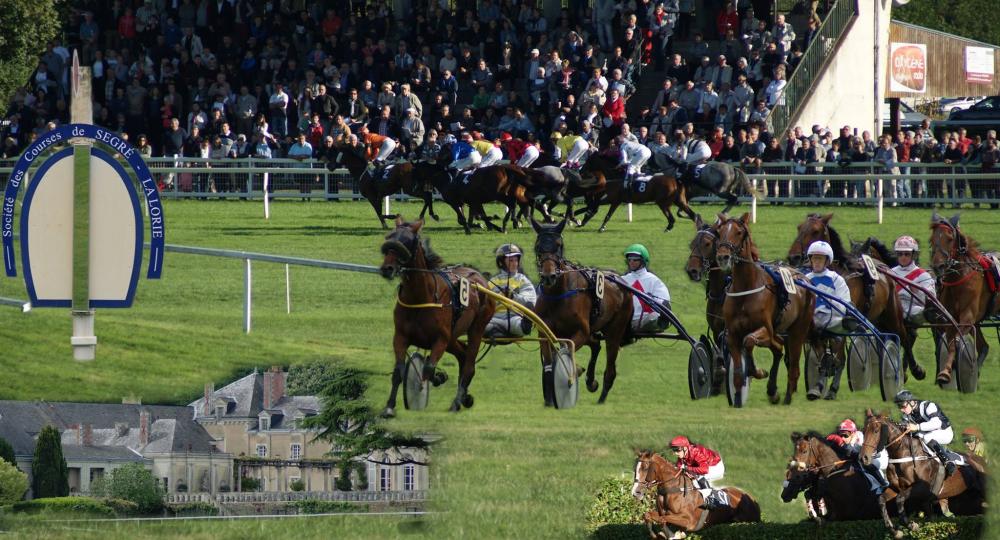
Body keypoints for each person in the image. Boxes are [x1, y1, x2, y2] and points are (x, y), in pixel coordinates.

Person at [895, 390, 956, 476]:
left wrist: (917, 427)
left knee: (927, 437)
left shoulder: (928, 406)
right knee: (915, 438)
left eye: (903, 406)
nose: (901, 410)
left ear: (912, 402)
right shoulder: (906, 415)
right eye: (899, 406)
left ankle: (948, 462)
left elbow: (937, 423)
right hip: (929, 433)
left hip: (945, 432)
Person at [485, 244, 537, 338]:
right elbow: (486, 303)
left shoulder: (523, 280)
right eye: (511, 260)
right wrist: (499, 297)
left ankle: (522, 328)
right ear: (501, 262)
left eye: (516, 260)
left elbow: (530, 301)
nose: (515, 263)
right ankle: (496, 331)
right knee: (481, 326)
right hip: (495, 318)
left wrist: (513, 296)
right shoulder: (493, 282)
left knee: (520, 326)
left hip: (515, 318)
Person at [827, 418, 889, 492]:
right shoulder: (844, 441)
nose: (842, 438)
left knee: (865, 463)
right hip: (859, 460)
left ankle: (882, 482)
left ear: (853, 434)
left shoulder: (861, 438)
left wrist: (843, 444)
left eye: (845, 435)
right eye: (841, 435)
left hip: (878, 459)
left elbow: (856, 454)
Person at [622, 244, 671, 333]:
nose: (631, 262)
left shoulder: (653, 280)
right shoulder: (623, 280)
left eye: (635, 260)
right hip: (625, 321)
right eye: (629, 260)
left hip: (646, 320)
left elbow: (664, 303)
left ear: (643, 261)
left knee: (653, 317)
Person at [669, 436, 727, 510]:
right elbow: (679, 466)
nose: (675, 453)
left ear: (685, 448)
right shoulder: (683, 454)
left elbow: (705, 470)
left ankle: (711, 500)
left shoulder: (695, 451)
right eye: (673, 450)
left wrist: (687, 468)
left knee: (698, 479)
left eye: (677, 450)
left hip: (715, 467)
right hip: (705, 467)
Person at [805, 241, 852, 333]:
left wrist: (829, 302)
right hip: (810, 320)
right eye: (815, 258)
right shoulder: (805, 279)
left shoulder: (837, 279)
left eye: (820, 259)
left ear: (827, 261)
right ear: (811, 260)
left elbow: (845, 304)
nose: (817, 262)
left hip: (832, 319)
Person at [889, 236, 936, 324]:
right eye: (900, 254)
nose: (903, 257)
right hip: (892, 308)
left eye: (907, 254)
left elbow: (931, 299)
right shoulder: (890, 272)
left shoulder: (923, 275)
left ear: (913, 255)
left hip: (912, 309)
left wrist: (917, 292)